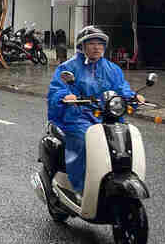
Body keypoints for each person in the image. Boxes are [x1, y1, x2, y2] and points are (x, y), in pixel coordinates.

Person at [46, 25, 141, 194]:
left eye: (100, 44)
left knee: (125, 140)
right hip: (78, 116)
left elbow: (121, 88)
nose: (97, 47)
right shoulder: (68, 68)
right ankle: (81, 188)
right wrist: (65, 96)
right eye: (91, 43)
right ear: (82, 46)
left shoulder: (112, 69)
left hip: (106, 115)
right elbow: (57, 89)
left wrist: (133, 97)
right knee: (84, 141)